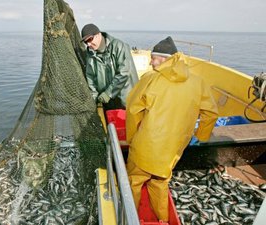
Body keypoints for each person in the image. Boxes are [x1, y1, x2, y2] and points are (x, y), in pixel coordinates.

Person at [125, 36, 219, 222]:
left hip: (146, 146)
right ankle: (163, 220)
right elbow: (211, 113)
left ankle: (130, 218)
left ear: (163, 59)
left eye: (153, 58)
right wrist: (201, 135)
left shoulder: (150, 78)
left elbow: (133, 109)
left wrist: (131, 138)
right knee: (160, 182)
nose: (150, 62)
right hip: (173, 149)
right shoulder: (198, 82)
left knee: (134, 182)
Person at [81, 23, 139, 110]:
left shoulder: (119, 46)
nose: (89, 44)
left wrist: (108, 93)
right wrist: (94, 99)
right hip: (107, 102)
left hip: (126, 100)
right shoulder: (90, 55)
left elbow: (124, 73)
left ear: (99, 35)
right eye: (86, 42)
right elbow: (90, 78)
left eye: (90, 39)